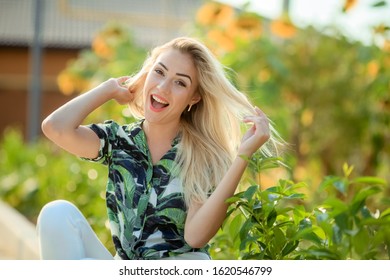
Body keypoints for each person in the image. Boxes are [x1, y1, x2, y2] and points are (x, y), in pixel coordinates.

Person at [37, 37, 283, 260]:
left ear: (193, 98)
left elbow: (196, 237)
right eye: (159, 72)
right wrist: (110, 88)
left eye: (180, 83)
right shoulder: (119, 140)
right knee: (57, 213)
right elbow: (55, 128)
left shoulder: (203, 154)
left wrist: (243, 155)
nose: (163, 88)